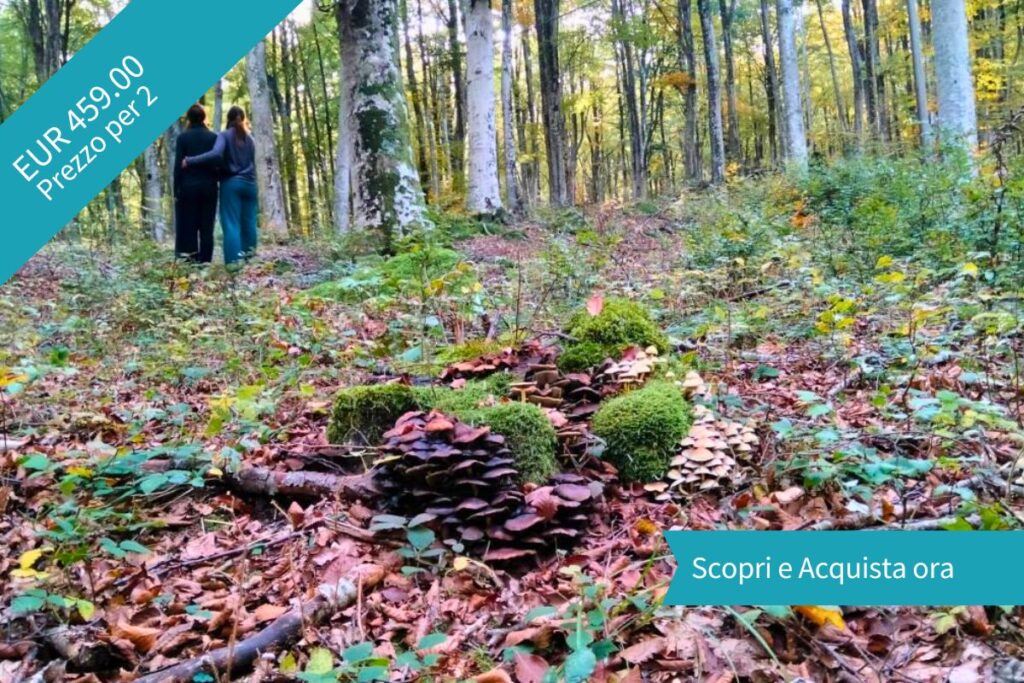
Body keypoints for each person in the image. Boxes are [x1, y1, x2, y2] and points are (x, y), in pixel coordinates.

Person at [183, 106, 259, 265]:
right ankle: (249, 260)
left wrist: (190, 160)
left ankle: (233, 264)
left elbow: (216, 154)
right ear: (243, 118)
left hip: (232, 184)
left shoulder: (224, 136)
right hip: (251, 185)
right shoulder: (250, 139)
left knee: (231, 224)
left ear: (228, 119)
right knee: (250, 222)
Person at [173, 104, 219, 263]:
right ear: (204, 117)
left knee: (189, 226)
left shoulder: (183, 138)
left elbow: (178, 165)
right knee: (207, 228)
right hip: (209, 187)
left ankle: (190, 262)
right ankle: (205, 262)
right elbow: (218, 162)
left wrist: (176, 190)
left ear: (189, 118)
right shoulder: (213, 137)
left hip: (188, 188)